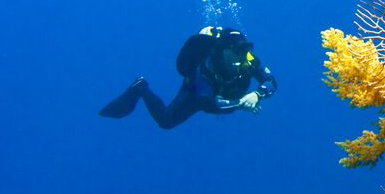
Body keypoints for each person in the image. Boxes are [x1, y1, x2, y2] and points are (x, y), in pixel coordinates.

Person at [99, 26, 277, 129]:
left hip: (229, 98)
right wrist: (241, 103)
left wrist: (256, 95)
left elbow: (271, 82)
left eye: (244, 49)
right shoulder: (207, 67)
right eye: (236, 50)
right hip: (196, 93)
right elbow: (206, 103)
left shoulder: (248, 59)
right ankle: (140, 87)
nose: (241, 55)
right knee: (166, 121)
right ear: (223, 50)